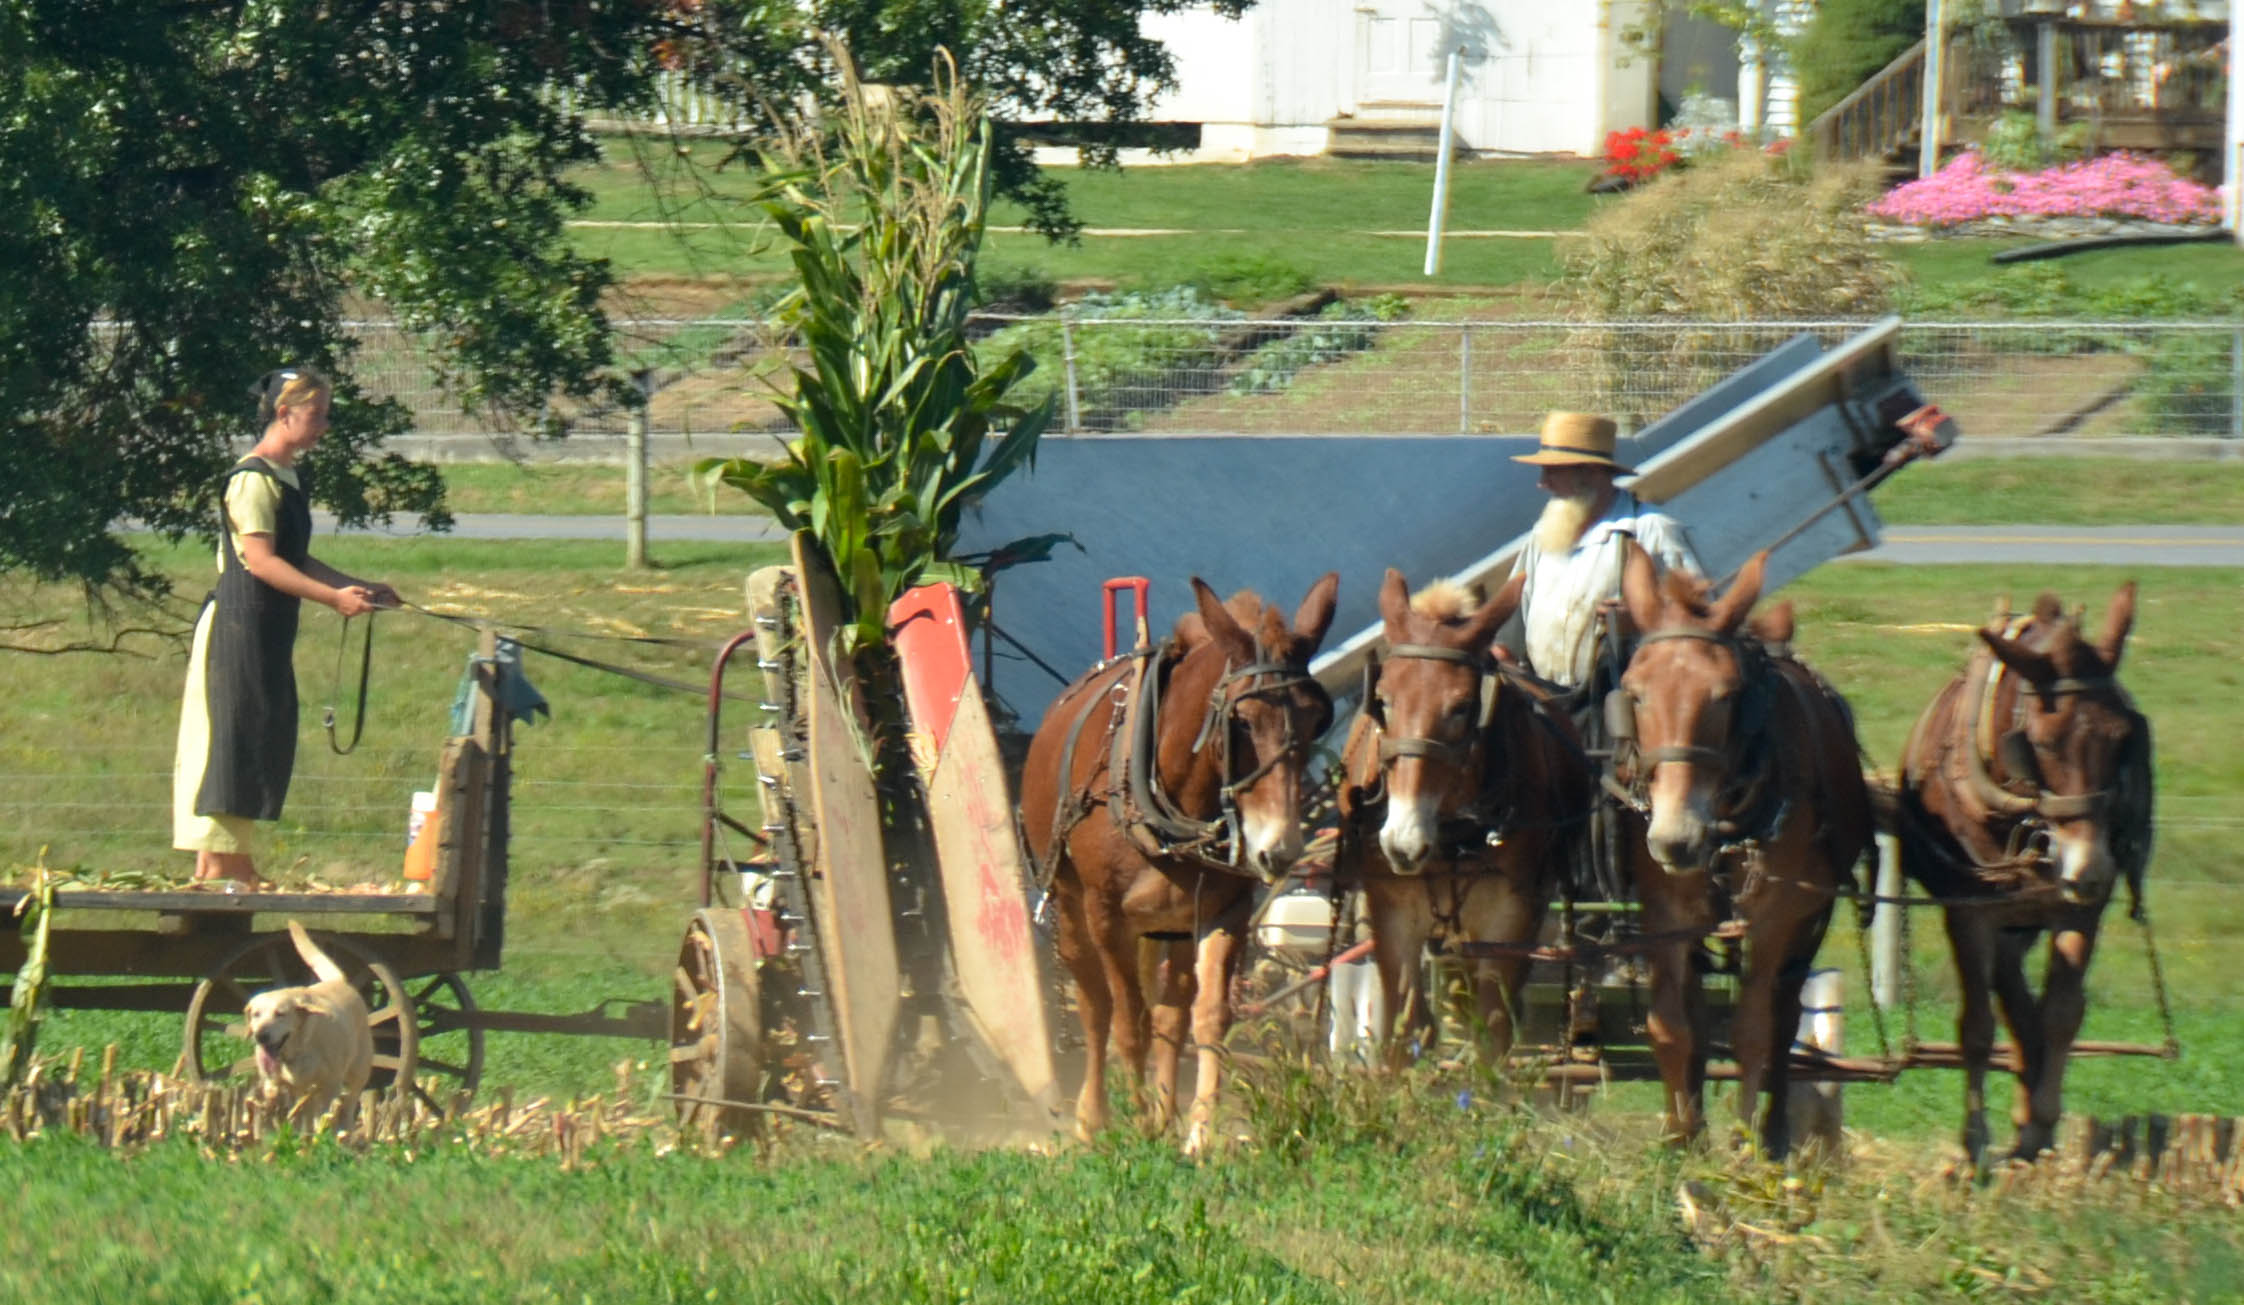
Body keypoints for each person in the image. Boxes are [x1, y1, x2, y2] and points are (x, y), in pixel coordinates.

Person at [172, 366, 398, 889]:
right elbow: (262, 562)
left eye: (325, 415)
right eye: (316, 415)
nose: (324, 425)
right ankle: (225, 865)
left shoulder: (285, 476)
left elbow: (296, 557)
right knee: (233, 737)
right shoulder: (252, 478)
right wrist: (333, 600)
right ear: (284, 413)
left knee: (257, 731)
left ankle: (222, 863)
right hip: (237, 623)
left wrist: (359, 587)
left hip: (263, 626)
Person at [1498, 411, 1701, 690]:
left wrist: (1642, 619)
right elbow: (1509, 631)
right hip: (1549, 705)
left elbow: (1699, 624)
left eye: (1553, 471)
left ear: (1591, 472)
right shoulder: (1543, 534)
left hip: (1623, 699)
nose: (1542, 483)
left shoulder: (1650, 530)